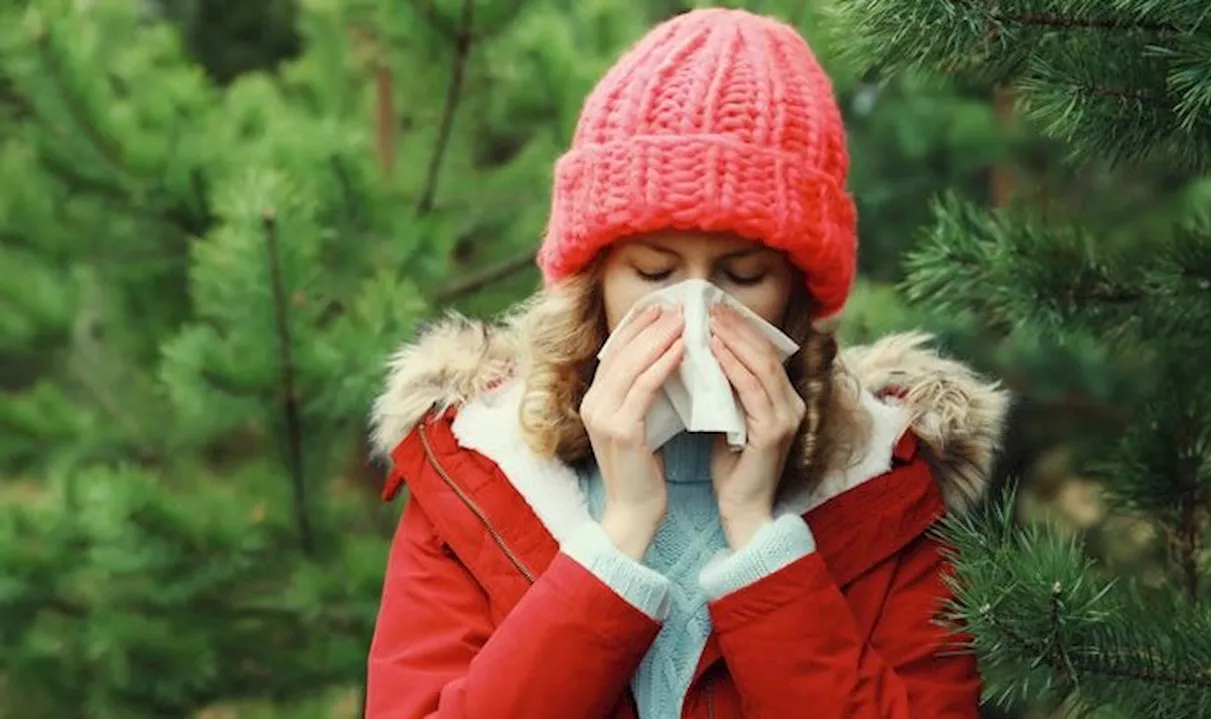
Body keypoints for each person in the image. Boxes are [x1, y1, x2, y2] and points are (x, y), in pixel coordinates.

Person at [364, 7, 1009, 719]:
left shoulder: (883, 483)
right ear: (596, 281)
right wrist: (620, 535)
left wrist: (761, 541)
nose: (694, 310)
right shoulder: (479, 464)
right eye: (653, 271)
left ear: (795, 293)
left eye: (740, 274)